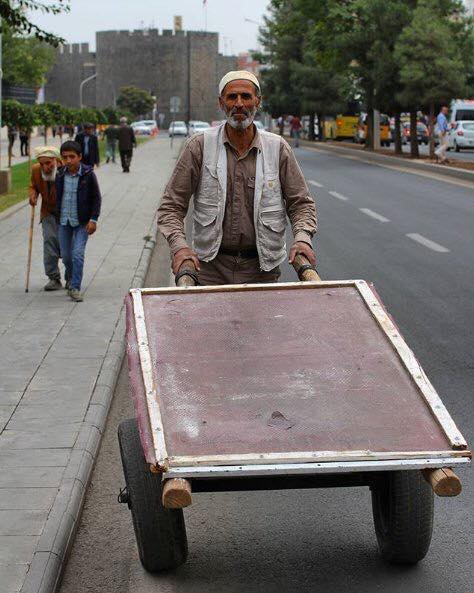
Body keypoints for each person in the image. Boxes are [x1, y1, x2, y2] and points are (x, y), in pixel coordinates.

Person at [157, 70, 317, 286]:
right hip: (209, 269)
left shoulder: (277, 148)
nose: (239, 104)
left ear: (257, 102)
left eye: (246, 96)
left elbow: (301, 204)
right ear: (221, 103)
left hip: (263, 270)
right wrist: (180, 247)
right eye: (232, 97)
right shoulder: (199, 146)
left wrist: (302, 239)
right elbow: (171, 206)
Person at [55, 141, 101, 302]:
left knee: (77, 254)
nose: (68, 160)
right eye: (65, 157)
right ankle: (70, 276)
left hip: (82, 222)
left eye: (72, 157)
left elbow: (96, 198)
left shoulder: (88, 175)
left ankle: (75, 287)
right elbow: (57, 196)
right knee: (66, 256)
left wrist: (93, 219)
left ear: (80, 157)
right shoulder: (60, 174)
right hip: (63, 222)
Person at [28, 146, 63, 291]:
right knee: (49, 242)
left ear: (56, 160)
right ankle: (53, 278)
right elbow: (33, 186)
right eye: (42, 164)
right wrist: (32, 194)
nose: (45, 167)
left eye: (48, 163)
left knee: (66, 247)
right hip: (47, 211)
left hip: (66, 213)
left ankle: (72, 277)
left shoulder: (65, 170)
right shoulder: (36, 170)